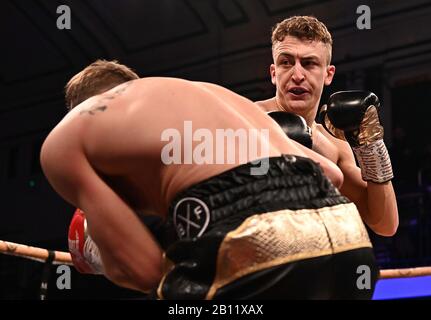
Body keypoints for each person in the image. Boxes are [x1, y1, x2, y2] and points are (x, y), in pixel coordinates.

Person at [41, 71, 378, 299]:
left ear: (78, 108)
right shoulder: (212, 95)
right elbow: (330, 175)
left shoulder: (64, 140)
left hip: (247, 239)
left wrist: (105, 254)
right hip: (346, 234)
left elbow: (146, 272)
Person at [256, 16, 398, 237]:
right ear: (274, 73)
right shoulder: (248, 118)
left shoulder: (335, 146)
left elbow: (385, 224)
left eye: (309, 63)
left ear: (328, 74)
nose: (297, 75)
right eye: (286, 62)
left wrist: (371, 146)